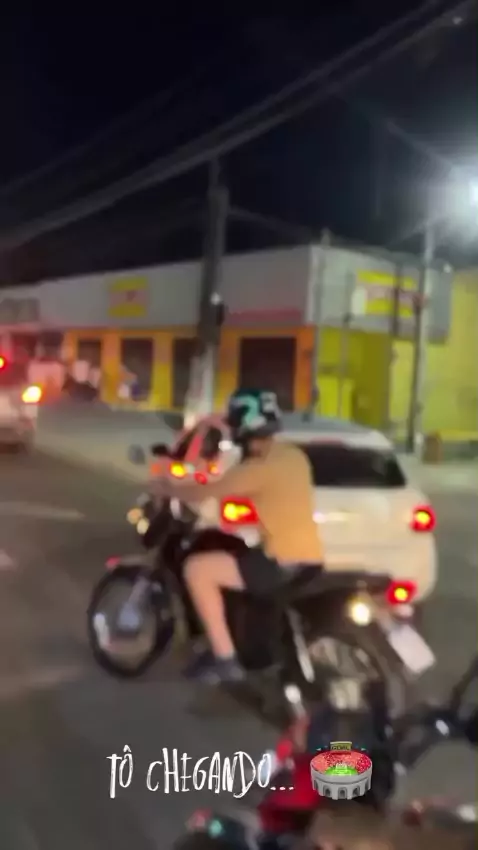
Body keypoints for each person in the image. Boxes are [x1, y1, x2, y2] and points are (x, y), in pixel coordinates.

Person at [151, 388, 324, 684]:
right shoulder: (294, 456)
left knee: (197, 569)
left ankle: (225, 659)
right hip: (311, 559)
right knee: (237, 557)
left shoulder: (256, 469)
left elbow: (206, 491)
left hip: (279, 562)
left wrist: (167, 488)